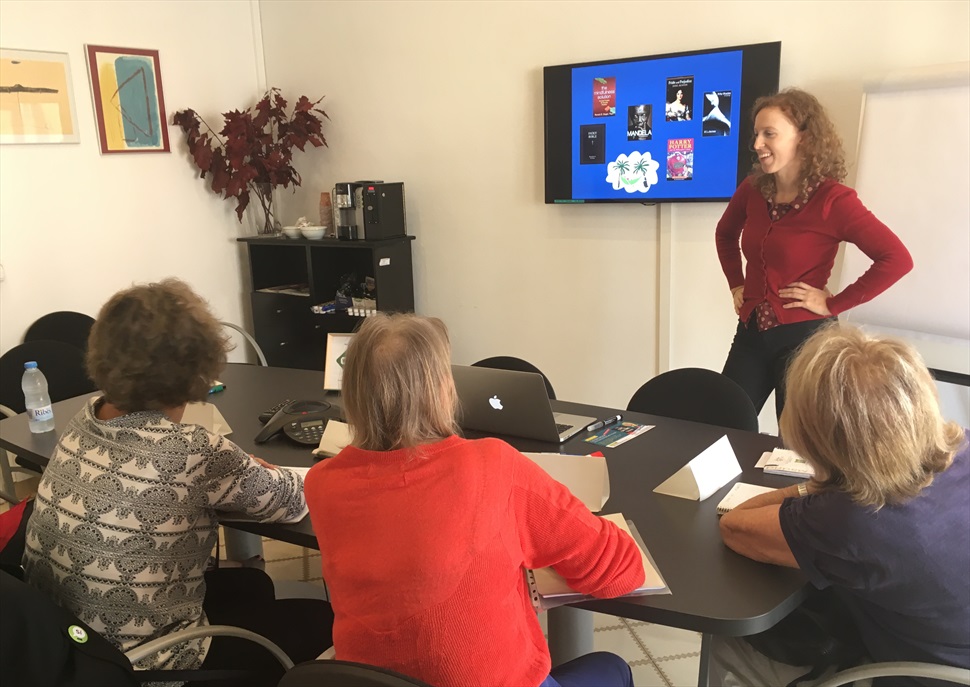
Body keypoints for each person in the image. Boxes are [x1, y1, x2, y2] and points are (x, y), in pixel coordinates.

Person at [304, 313, 645, 687]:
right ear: (443, 389)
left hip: (371, 680)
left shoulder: (321, 484)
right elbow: (620, 570)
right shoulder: (492, 466)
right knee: (613, 667)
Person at [22, 279, 333, 685]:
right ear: (197, 367)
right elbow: (292, 501)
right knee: (319, 620)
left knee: (252, 583)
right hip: (139, 666)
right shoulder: (196, 450)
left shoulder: (86, 417)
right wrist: (257, 470)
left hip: (64, 642)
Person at [715, 324, 969, 686]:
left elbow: (736, 525)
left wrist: (820, 485)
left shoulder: (854, 519)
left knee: (727, 644)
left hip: (924, 677)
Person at [715, 88, 912, 417]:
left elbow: (896, 259)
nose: (757, 144)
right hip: (751, 331)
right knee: (723, 423)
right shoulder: (752, 189)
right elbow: (725, 234)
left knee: (796, 445)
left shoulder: (834, 201)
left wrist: (833, 303)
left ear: (803, 138)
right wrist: (736, 283)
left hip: (806, 340)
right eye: (756, 134)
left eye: (769, 134)